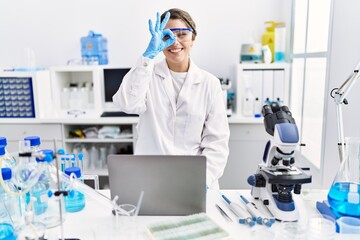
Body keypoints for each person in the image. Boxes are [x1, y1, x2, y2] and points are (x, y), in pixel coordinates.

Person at [113, 8, 230, 189]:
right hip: (151, 177)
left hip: (194, 179)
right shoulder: (146, 74)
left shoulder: (210, 83)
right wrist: (147, 57)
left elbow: (216, 142)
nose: (174, 42)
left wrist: (203, 180)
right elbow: (127, 103)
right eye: (167, 36)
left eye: (182, 34)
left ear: (193, 39)